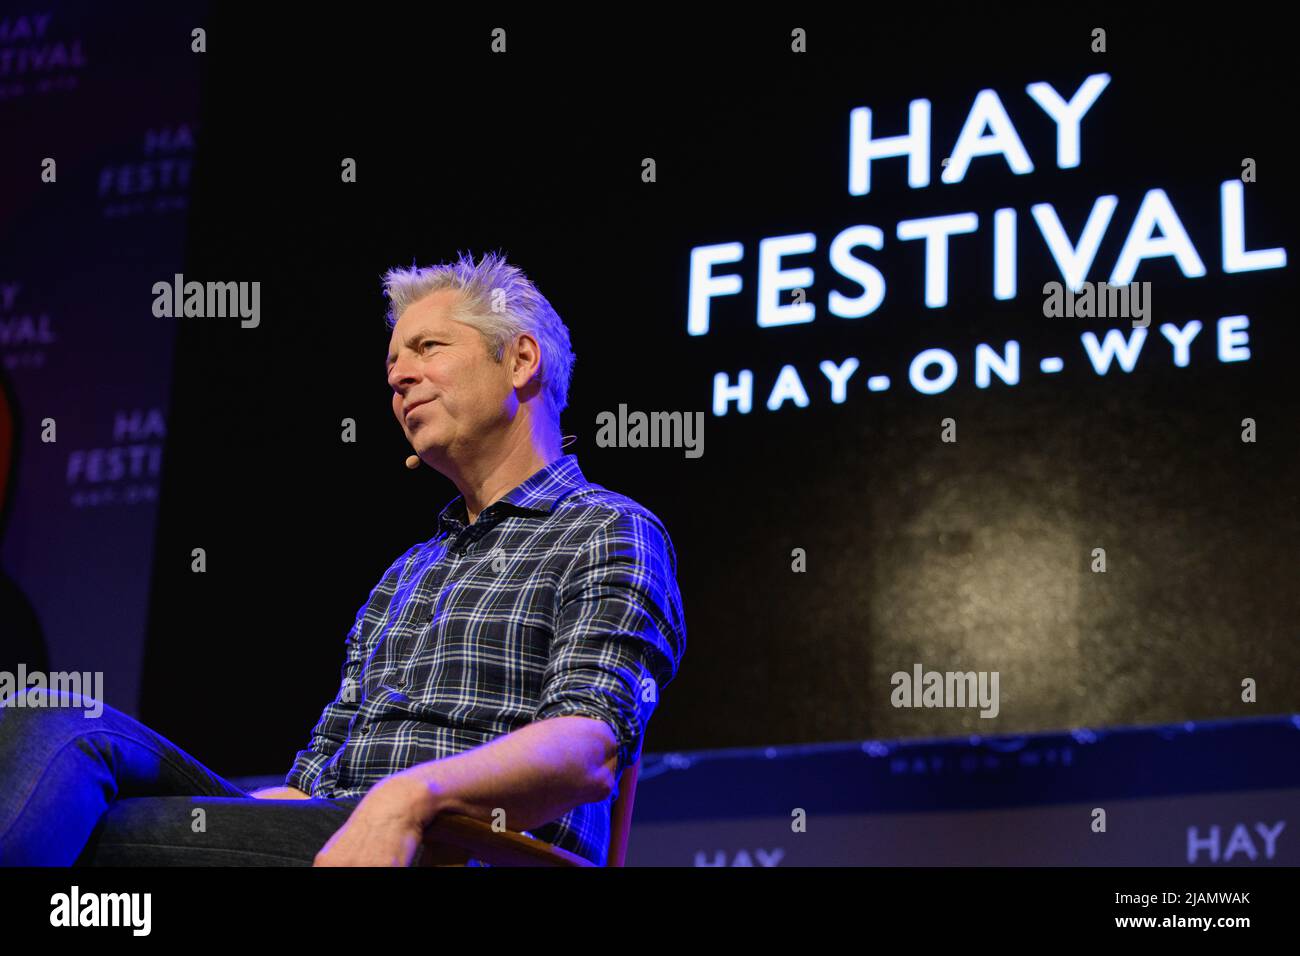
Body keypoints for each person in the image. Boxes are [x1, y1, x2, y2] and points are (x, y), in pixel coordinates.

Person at [0, 251, 687, 866]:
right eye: (392, 366)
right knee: (59, 723)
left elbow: (589, 749)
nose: (400, 379)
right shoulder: (409, 571)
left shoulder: (606, 529)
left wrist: (405, 800)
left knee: (105, 840)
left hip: (461, 847)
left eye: (428, 347)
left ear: (520, 360)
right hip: (334, 834)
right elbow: (312, 785)